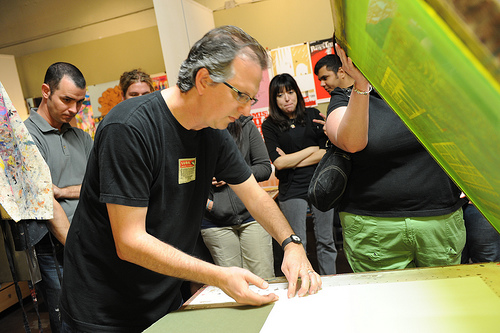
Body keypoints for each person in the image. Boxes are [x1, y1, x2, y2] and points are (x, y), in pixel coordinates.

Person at [60, 25, 320, 333]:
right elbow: (129, 241)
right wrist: (220, 276)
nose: (245, 108)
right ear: (204, 80)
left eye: (251, 98)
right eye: (241, 95)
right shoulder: (128, 129)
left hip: (161, 298)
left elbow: (255, 195)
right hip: (103, 308)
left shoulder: (213, 132)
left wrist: (291, 244)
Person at [324, 44, 467, 273]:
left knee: (444, 307)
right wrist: (361, 86)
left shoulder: (434, 89)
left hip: (439, 219)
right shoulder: (344, 96)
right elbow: (351, 142)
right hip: (373, 227)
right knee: (386, 307)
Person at [24, 62, 93, 333]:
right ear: (45, 91)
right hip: (57, 250)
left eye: (79, 102)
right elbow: (46, 203)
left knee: (94, 315)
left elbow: (97, 187)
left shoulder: (82, 137)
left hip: (91, 241)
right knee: (68, 320)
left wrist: (63, 190)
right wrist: (79, 246)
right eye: (66, 100)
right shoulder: (27, 140)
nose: (74, 110)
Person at [262, 73, 337, 276]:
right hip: (291, 189)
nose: (287, 98)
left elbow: (325, 153)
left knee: (326, 241)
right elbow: (278, 162)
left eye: (290, 91)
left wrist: (291, 161)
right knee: (298, 244)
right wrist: (311, 149)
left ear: (297, 93)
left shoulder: (312, 115)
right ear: (274, 99)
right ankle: (304, 283)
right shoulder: (269, 124)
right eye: (280, 95)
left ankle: (330, 281)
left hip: (320, 184)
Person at [202, 115, 275, 279]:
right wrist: (207, 204)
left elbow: (264, 168)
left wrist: (234, 174)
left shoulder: (245, 125)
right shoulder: (196, 127)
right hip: (214, 222)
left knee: (264, 280)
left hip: (252, 215)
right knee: (233, 286)